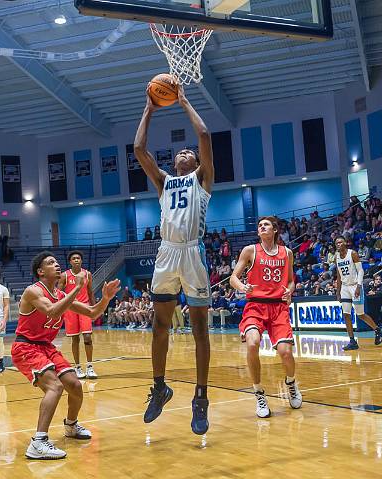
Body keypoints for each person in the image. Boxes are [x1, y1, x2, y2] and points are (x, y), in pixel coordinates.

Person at [134, 82, 214, 435]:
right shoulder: (165, 182)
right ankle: (160, 386)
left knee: (199, 330)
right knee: (159, 325)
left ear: (196, 161)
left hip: (192, 251)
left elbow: (205, 133)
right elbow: (138, 148)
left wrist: (182, 101)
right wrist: (150, 109)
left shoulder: (202, 180)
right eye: (179, 152)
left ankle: (201, 398)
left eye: (188, 152)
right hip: (166, 252)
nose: (182, 152)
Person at [12, 251, 119, 460]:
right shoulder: (33, 291)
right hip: (26, 347)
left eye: (57, 262)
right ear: (41, 272)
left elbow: (93, 312)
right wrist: (78, 287)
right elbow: (52, 311)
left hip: (46, 347)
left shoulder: (61, 296)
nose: (57, 265)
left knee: (75, 385)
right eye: (51, 263)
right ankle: (39, 442)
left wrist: (105, 298)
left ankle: (70, 426)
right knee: (55, 386)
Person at [229, 216, 302, 418]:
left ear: (275, 230)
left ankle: (291, 383)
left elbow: (290, 281)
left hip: (278, 307)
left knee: (286, 353)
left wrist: (289, 291)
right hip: (256, 306)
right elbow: (233, 277)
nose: (261, 227)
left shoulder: (286, 253)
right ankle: (259, 392)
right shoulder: (250, 251)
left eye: (266, 224)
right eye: (260, 225)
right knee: (252, 343)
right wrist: (242, 287)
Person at [334, 236, 382, 350]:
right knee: (346, 314)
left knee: (360, 314)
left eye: (340, 242)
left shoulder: (353, 254)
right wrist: (338, 291)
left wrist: (359, 286)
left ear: (345, 243)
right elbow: (338, 274)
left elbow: (361, 271)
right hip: (345, 288)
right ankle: (352, 341)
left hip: (355, 286)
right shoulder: (336, 257)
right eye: (336, 243)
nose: (338, 244)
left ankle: (377, 329)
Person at [59, 251, 98, 379]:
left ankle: (90, 366)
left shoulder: (87, 274)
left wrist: (94, 308)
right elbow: (58, 293)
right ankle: (77, 367)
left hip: (85, 307)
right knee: (75, 338)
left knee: (87, 337)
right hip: (70, 309)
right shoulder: (65, 275)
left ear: (81, 261)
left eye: (78, 258)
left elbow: (90, 291)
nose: (76, 260)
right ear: (70, 261)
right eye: (74, 258)